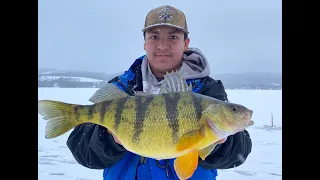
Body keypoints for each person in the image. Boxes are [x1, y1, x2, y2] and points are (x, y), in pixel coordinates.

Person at [66, 5, 252, 180]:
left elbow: (239, 152)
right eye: (154, 37)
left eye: (173, 37)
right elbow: (82, 150)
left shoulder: (208, 91)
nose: (162, 46)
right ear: (145, 44)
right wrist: (109, 138)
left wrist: (219, 144)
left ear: (186, 43)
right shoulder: (123, 87)